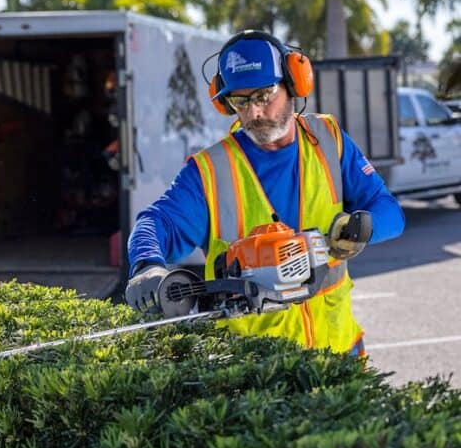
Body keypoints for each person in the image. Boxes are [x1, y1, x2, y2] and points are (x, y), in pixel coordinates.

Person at [125, 30, 405, 356]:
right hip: (259, 379)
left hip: (339, 354)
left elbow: (390, 212)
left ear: (293, 82)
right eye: (240, 101)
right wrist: (147, 264)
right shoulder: (209, 172)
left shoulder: (329, 139)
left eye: (263, 95)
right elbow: (156, 222)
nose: (254, 113)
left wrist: (362, 229)